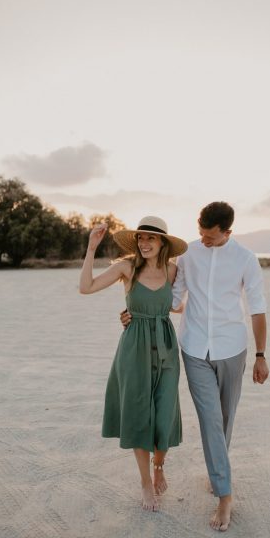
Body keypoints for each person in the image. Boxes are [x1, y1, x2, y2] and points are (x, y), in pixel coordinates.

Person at [122, 202, 269, 531]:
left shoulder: (245, 259)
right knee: (210, 420)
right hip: (194, 349)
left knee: (225, 419)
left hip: (232, 348)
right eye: (200, 233)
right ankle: (225, 495)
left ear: (227, 232)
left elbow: (257, 308)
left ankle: (218, 471)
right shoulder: (188, 254)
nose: (203, 240)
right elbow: (172, 300)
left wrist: (261, 355)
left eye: (210, 236)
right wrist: (134, 312)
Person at [79, 216, 188, 512]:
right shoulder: (126, 267)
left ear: (163, 242)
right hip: (133, 350)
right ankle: (144, 482)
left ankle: (159, 464)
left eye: (151, 238)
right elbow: (86, 287)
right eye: (141, 238)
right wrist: (91, 249)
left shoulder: (174, 271)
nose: (144, 243)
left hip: (165, 347)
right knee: (139, 414)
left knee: (164, 414)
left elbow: (182, 306)